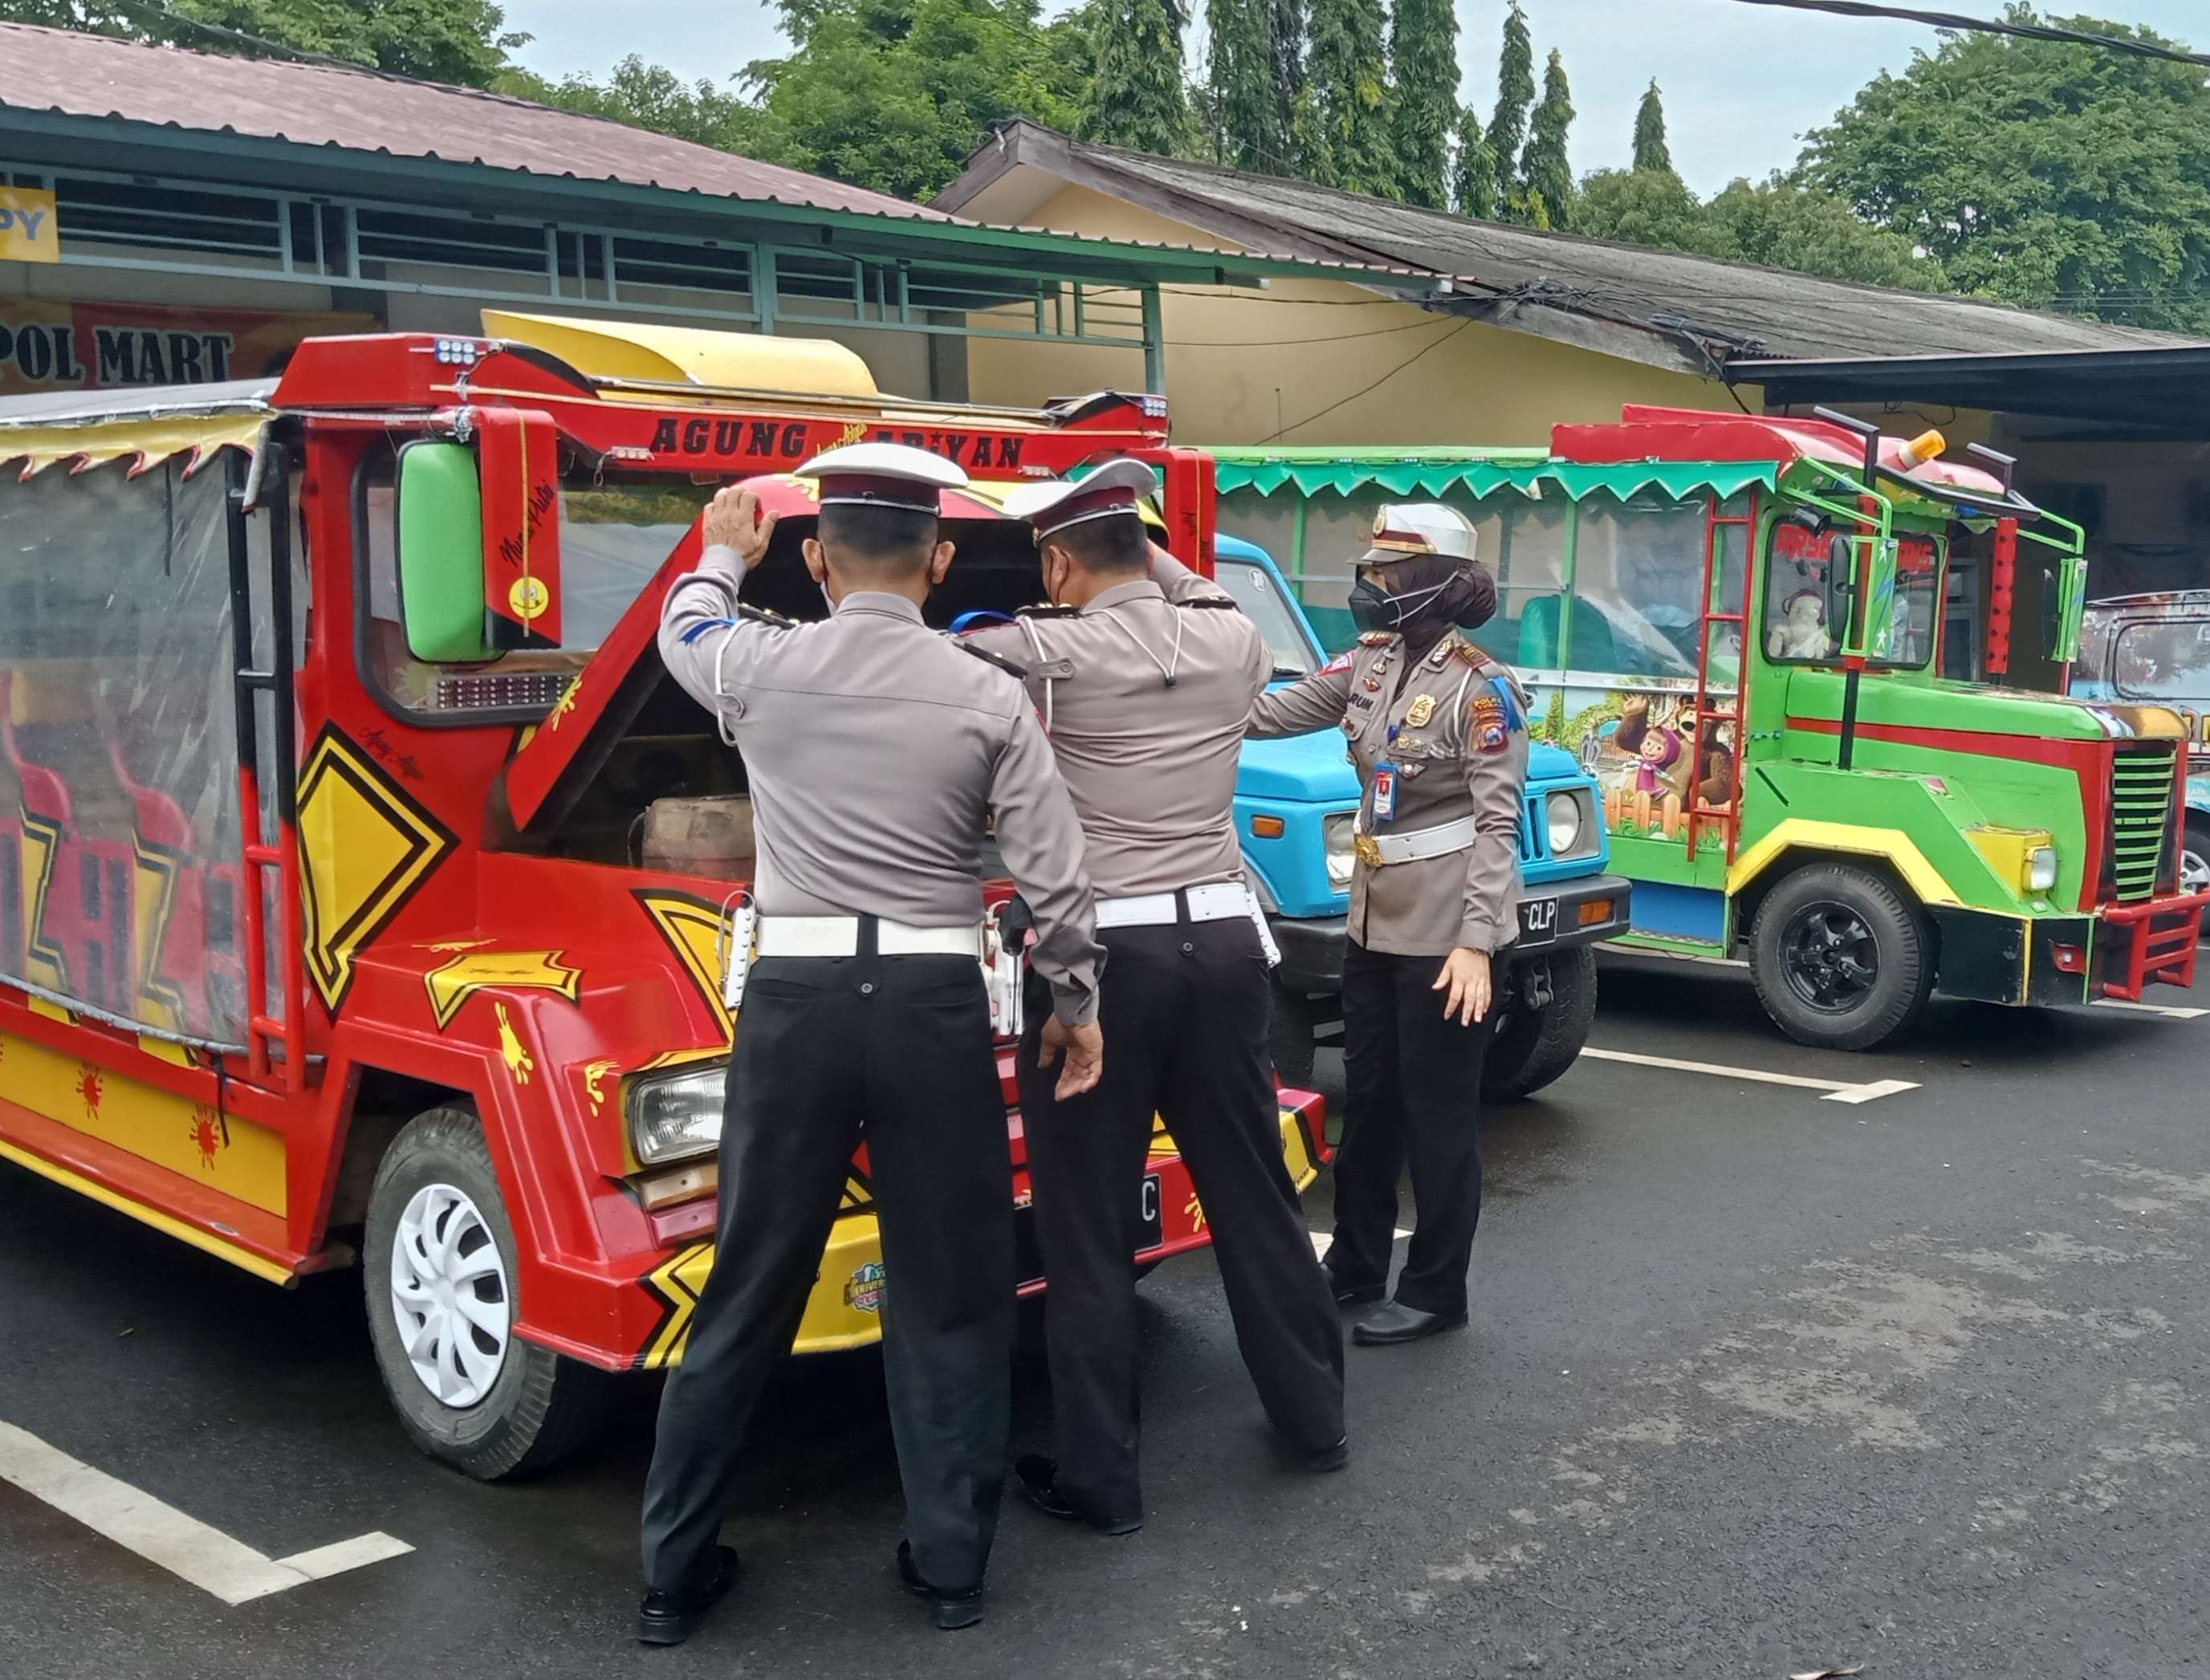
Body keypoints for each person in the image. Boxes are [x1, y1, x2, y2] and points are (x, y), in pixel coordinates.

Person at [638, 443, 1106, 1641]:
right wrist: (1075, 1003)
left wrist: (722, 552)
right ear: (941, 561)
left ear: (816, 557)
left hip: (791, 999)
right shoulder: (988, 693)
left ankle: (672, 1578)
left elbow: (682, 628)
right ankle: (951, 1567)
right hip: (931, 1005)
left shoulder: (761, 664)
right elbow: (1053, 874)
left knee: (748, 1283)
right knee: (950, 1291)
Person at [956, 461, 1346, 1536]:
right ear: (1147, 551)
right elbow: (1184, 586)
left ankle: (1102, 1480)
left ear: (1057, 563)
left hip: (1106, 955)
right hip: (1224, 938)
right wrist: (1122, 529)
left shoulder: (1047, 649)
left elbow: (930, 657)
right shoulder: (1230, 639)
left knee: (1086, 1224)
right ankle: (1316, 1417)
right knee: (1251, 1188)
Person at [1246, 504, 1527, 1348]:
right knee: (1367, 1104)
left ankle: (1438, 1288)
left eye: (1389, 572)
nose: (1370, 585)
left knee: (1437, 1116)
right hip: (1372, 921)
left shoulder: (1482, 688)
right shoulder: (1369, 664)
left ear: (1440, 582)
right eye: (1370, 567)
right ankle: (1356, 1265)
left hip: (1447, 936)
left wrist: (1478, 940)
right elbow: (1274, 713)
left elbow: (1495, 824)